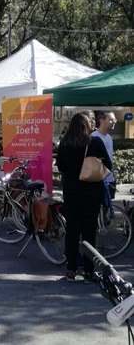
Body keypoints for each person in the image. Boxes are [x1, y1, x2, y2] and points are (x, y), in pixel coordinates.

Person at [56, 113, 112, 282]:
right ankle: (89, 270)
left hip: (71, 192)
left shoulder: (64, 143)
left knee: (72, 231)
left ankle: (71, 269)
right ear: (87, 125)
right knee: (89, 231)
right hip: (91, 192)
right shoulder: (94, 141)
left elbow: (61, 166)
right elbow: (108, 165)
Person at [92, 111, 117, 199]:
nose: (114, 122)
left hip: (110, 178)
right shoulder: (93, 137)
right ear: (102, 121)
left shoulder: (109, 137)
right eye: (111, 120)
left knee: (108, 208)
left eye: (115, 120)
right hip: (98, 180)